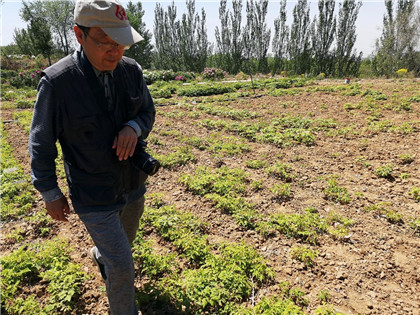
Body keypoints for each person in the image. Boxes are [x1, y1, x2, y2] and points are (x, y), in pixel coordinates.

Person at [29, 1, 155, 314]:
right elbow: (41, 142)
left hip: (132, 185)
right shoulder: (58, 83)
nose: (115, 52)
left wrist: (133, 127)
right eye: (105, 42)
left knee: (121, 246)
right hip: (93, 193)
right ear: (79, 36)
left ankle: (101, 256)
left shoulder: (131, 71)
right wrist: (49, 192)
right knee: (123, 265)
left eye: (121, 43)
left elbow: (147, 112)